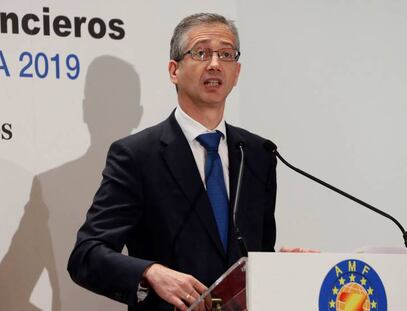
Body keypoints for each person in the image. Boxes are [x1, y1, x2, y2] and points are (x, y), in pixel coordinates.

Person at [68, 13, 277, 311]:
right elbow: (86, 255)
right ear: (174, 70)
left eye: (226, 54)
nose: (215, 63)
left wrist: (285, 265)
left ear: (237, 71)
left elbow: (257, 255)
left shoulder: (257, 153)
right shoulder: (137, 156)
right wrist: (149, 272)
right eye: (201, 52)